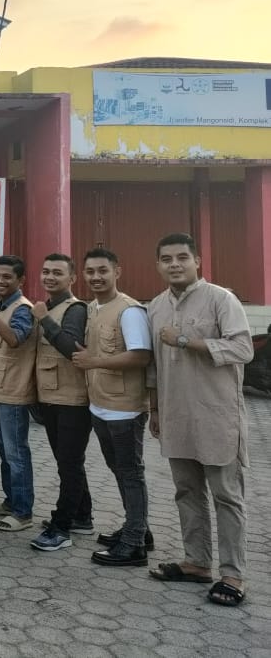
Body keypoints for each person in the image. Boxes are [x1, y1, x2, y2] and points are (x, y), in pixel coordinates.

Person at [146, 233, 254, 607]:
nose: (174, 264)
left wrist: (184, 341)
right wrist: (155, 409)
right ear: (158, 265)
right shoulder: (155, 307)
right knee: (186, 491)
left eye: (182, 257)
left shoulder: (222, 299)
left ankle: (233, 574)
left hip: (216, 415)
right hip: (175, 414)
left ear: (197, 261)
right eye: (166, 259)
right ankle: (196, 562)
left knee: (227, 496)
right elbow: (153, 365)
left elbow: (243, 348)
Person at [72, 247, 153, 567]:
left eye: (103, 270)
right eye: (90, 271)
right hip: (101, 404)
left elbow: (140, 356)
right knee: (119, 469)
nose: (96, 277)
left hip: (125, 408)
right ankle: (139, 528)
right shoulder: (93, 308)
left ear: (117, 272)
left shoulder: (129, 311)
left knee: (130, 473)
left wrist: (94, 361)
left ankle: (134, 545)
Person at [29, 254, 94, 552]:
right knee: (68, 462)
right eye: (46, 271)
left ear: (72, 279)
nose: (50, 277)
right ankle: (82, 516)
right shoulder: (50, 306)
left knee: (69, 464)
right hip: (52, 397)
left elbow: (72, 349)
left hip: (72, 400)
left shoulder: (75, 309)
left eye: (57, 272)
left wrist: (44, 319)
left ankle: (61, 527)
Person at [0, 255, 38, 532]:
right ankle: (11, 501)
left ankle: (23, 512)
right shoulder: (2, 304)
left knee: (16, 454)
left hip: (14, 392)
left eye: (6, 277)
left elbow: (14, 339)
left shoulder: (22, 308)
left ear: (20, 280)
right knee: (5, 451)